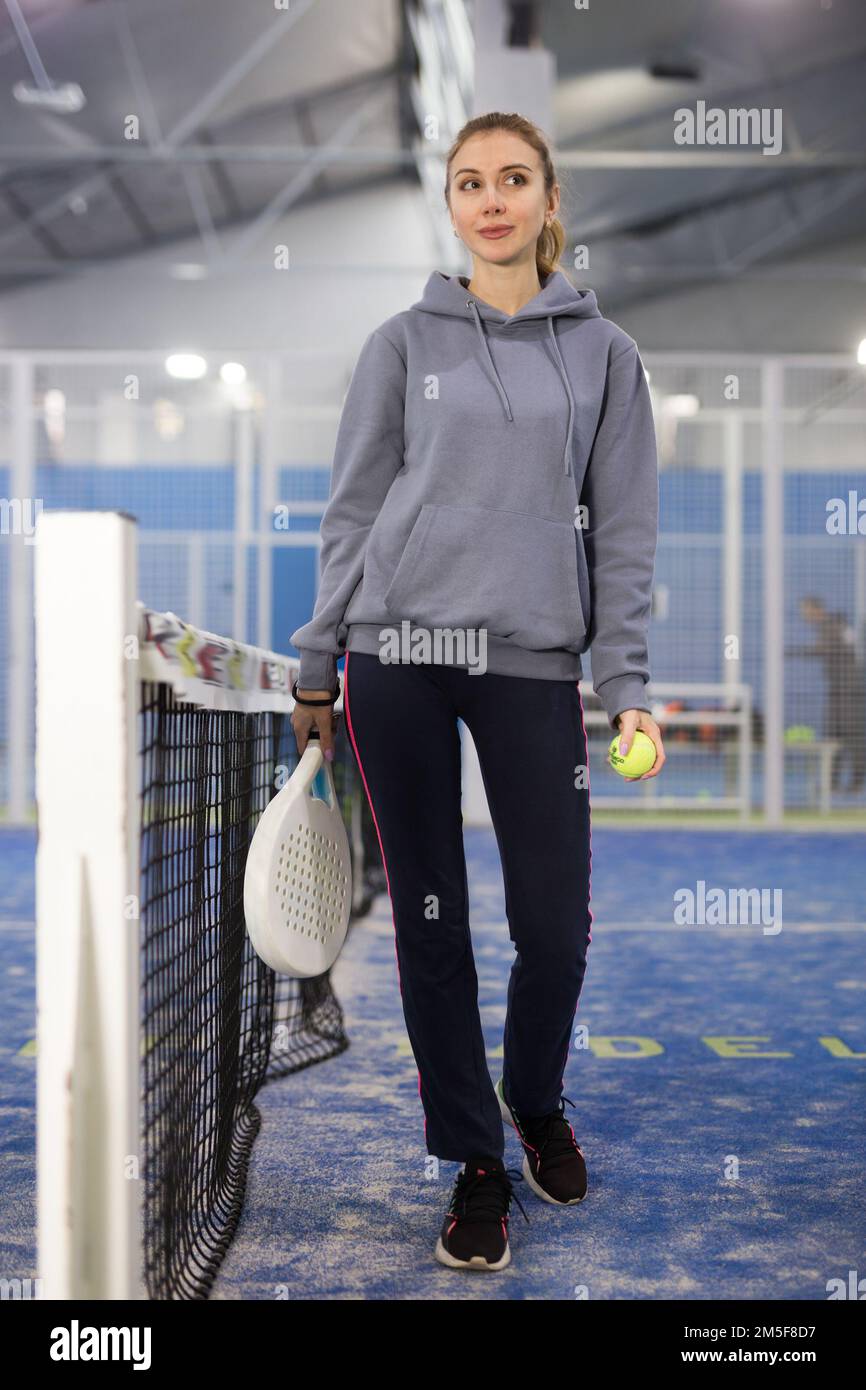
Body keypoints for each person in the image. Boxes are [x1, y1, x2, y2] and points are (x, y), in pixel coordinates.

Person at [289, 111, 664, 1272]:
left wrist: (625, 680)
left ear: (549, 201)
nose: (490, 198)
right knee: (431, 923)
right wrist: (317, 658)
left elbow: (628, 532)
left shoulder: (603, 355)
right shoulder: (402, 342)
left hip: (533, 663)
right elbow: (353, 508)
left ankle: (532, 1092)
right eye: (468, 182)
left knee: (553, 926)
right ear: (449, 206)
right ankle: (475, 1164)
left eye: (513, 180)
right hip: (393, 658)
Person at [786, 595, 866, 793]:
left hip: (849, 689)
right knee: (833, 734)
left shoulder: (832, 624)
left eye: (806, 611)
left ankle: (855, 782)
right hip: (839, 689)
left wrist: (795, 651)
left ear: (816, 609)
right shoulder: (835, 625)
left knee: (852, 735)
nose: (805, 616)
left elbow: (824, 649)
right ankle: (832, 782)